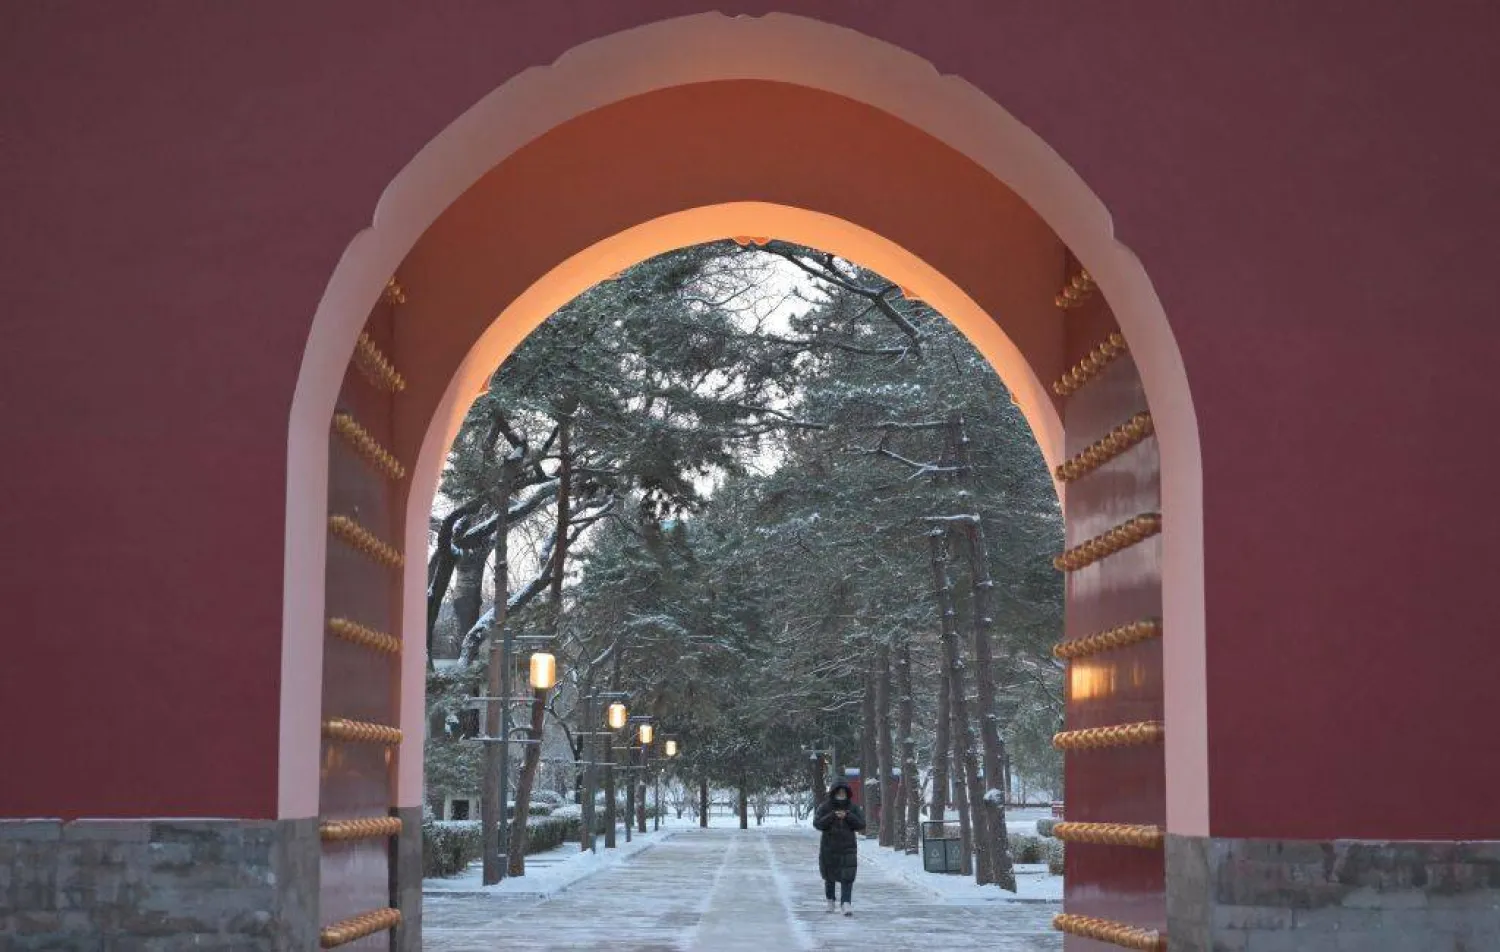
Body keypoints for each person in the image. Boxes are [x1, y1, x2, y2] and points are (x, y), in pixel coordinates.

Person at [813, 782, 867, 916]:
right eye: (839, 792)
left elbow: (861, 824)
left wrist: (848, 816)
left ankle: (846, 903)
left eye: (843, 792)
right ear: (834, 793)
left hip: (848, 848)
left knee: (847, 876)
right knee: (829, 876)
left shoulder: (853, 807)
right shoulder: (825, 807)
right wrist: (832, 816)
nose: (841, 794)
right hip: (829, 847)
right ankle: (830, 900)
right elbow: (817, 823)